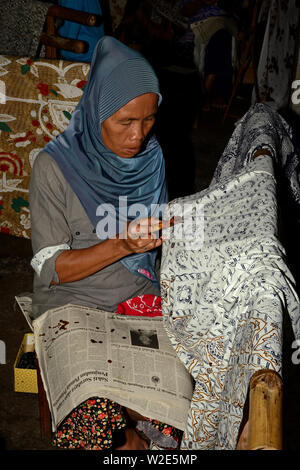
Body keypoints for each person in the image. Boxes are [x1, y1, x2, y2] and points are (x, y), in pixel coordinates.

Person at [29, 36, 181, 450]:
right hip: (72, 300)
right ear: (96, 112)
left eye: (148, 120)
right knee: (94, 423)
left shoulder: (152, 158)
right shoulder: (53, 167)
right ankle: (128, 437)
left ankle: (145, 434)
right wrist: (121, 246)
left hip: (139, 295)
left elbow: (159, 247)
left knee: (184, 405)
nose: (138, 135)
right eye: (124, 122)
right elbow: (51, 269)